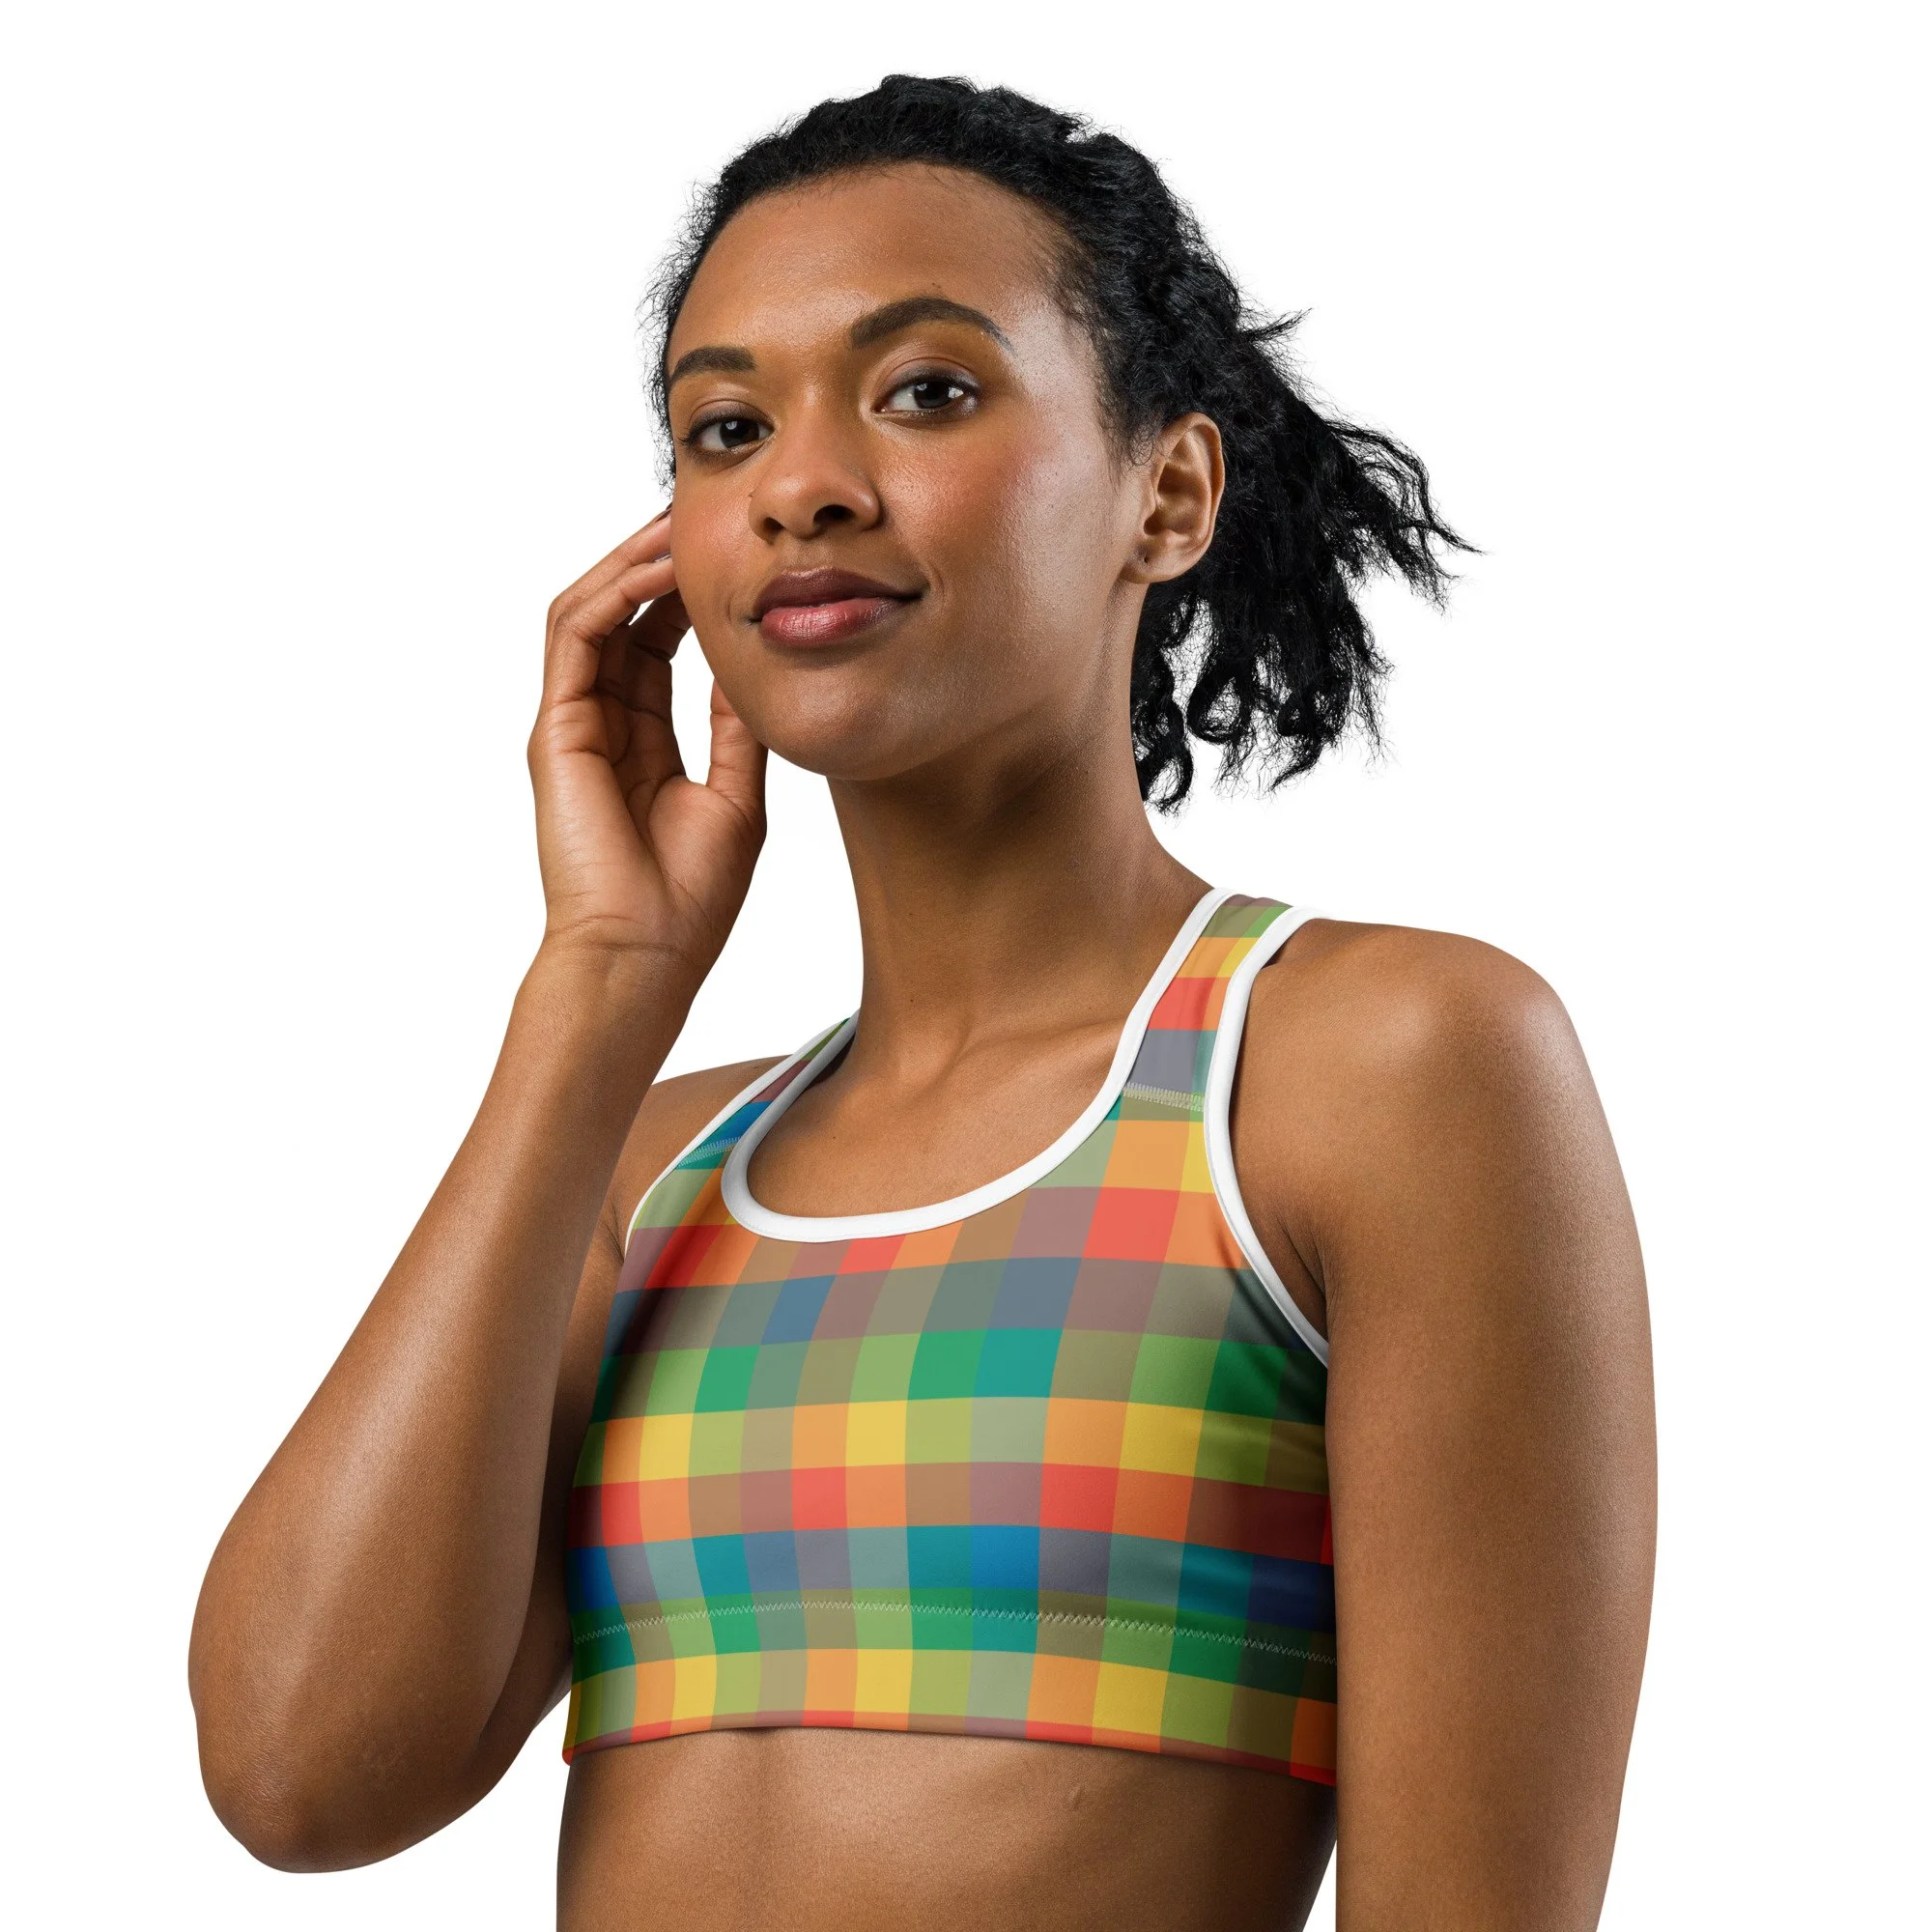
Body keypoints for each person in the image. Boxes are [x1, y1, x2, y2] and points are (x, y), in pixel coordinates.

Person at [189, 75, 1655, 1932]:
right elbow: (296, 1773)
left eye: (929, 391)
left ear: (1168, 493)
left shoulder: (1371, 1068)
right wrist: (599, 992)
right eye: (726, 428)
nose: (800, 485)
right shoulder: (657, 1170)